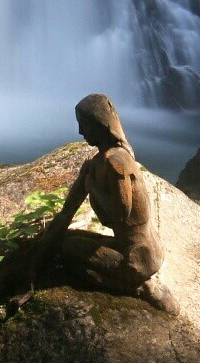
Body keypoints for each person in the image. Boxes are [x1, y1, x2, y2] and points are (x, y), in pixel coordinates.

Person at [23, 93, 169, 306]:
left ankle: (138, 287)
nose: (80, 132)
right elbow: (68, 210)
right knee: (68, 238)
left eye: (84, 125)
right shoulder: (101, 161)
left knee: (67, 252)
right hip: (127, 247)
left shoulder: (117, 162)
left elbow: (120, 215)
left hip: (139, 256)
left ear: (100, 125)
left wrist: (91, 186)